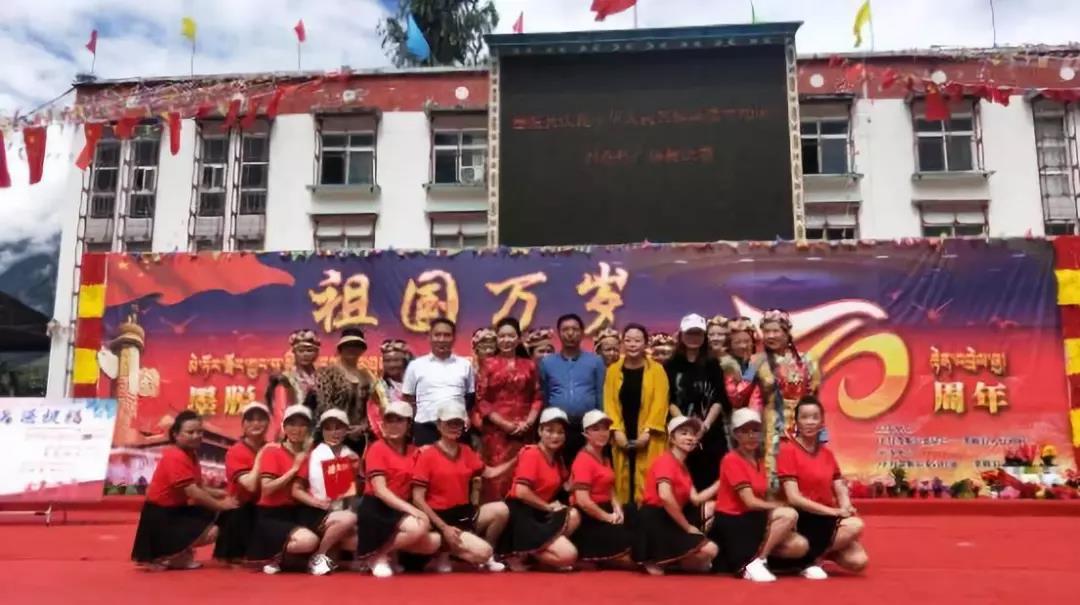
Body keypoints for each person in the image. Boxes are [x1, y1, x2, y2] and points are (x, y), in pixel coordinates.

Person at [412, 402, 513, 572]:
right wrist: (443, 527)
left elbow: (489, 473)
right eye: (449, 423)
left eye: (457, 423)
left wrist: (516, 460)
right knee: (483, 552)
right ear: (439, 425)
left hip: (464, 514)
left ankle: (475, 552)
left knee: (501, 510)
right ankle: (446, 551)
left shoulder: (466, 451)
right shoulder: (427, 455)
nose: (454, 427)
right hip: (439, 517)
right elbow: (417, 498)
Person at [711, 408, 808, 582]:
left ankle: (762, 558)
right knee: (788, 514)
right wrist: (780, 505)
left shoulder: (760, 461)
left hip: (754, 517)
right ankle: (758, 560)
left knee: (799, 546)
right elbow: (750, 502)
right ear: (735, 434)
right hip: (734, 520)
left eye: (755, 430)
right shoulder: (731, 459)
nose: (751, 436)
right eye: (744, 431)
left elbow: (762, 496)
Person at [132, 411, 238, 570]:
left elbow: (199, 486)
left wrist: (223, 494)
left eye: (199, 432)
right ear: (176, 434)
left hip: (174, 511)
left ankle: (176, 554)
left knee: (216, 513)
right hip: (162, 517)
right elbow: (193, 492)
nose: (196, 436)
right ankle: (170, 553)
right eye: (190, 432)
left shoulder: (190, 454)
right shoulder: (175, 456)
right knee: (214, 527)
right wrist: (221, 505)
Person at [777, 397, 868, 578]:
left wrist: (846, 505)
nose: (810, 422)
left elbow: (839, 486)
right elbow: (794, 498)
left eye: (815, 417)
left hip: (825, 520)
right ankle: (809, 559)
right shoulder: (787, 450)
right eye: (804, 417)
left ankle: (814, 556)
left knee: (858, 561)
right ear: (796, 421)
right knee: (855, 526)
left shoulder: (827, 454)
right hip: (801, 518)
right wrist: (833, 512)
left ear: (822, 422)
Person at [356, 400, 441, 578]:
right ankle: (375, 557)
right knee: (418, 525)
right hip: (377, 506)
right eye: (390, 420)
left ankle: (383, 553)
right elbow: (380, 491)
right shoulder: (377, 448)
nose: (394, 425)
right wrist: (412, 510)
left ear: (409, 424)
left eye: (399, 420)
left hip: (399, 506)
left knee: (434, 542)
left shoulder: (415, 451)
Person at [247, 405, 337, 575]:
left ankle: (305, 560)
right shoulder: (272, 451)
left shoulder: (313, 453)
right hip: (272, 514)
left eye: (302, 425)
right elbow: (267, 489)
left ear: (309, 429)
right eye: (292, 424)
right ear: (284, 427)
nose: (297, 429)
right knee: (309, 541)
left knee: (341, 525)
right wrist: (294, 469)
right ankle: (273, 556)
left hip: (299, 511)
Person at [633, 415, 719, 576]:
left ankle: (674, 560)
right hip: (656, 519)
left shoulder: (683, 467)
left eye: (692, 434)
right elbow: (665, 497)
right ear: (672, 438)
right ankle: (659, 557)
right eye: (684, 433)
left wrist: (720, 482)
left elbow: (696, 499)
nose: (690, 437)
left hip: (672, 517)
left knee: (713, 509)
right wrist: (687, 527)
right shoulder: (665, 461)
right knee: (710, 551)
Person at [499, 407, 580, 571]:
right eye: (550, 431)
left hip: (539, 512)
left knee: (574, 515)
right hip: (521, 513)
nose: (555, 436)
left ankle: (533, 554)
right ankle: (518, 552)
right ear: (540, 431)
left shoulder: (557, 458)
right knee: (569, 556)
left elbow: (564, 485)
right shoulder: (531, 453)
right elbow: (521, 492)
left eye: (560, 432)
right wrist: (548, 507)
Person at [476, 317, 542, 503]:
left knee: (524, 473)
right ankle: (496, 514)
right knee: (497, 478)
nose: (506, 340)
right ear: (497, 339)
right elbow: (481, 400)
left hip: (524, 430)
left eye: (511, 336)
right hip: (496, 433)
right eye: (502, 336)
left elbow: (537, 396)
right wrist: (504, 424)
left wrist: (529, 422)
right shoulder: (488, 364)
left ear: (519, 339)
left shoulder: (530, 365)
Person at [603, 323, 669, 505]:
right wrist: (616, 430)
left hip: (649, 433)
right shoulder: (613, 370)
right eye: (628, 340)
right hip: (622, 432)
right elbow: (609, 403)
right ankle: (624, 516)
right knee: (622, 479)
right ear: (622, 343)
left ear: (645, 343)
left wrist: (647, 432)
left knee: (648, 479)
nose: (632, 344)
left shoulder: (657, 370)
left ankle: (646, 516)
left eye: (637, 340)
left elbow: (660, 403)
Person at [289, 409, 362, 574]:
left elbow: (353, 493)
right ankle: (318, 556)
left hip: (340, 511)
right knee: (349, 518)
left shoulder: (351, 455)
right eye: (328, 428)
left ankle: (331, 557)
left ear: (346, 430)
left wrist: (356, 472)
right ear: (322, 431)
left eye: (338, 428)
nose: (334, 433)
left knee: (359, 538)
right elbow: (296, 490)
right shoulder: (312, 455)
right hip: (314, 512)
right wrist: (315, 502)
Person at [665, 313, 731, 490]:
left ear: (704, 336)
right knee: (681, 483)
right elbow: (668, 398)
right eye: (690, 333)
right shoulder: (670, 365)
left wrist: (705, 425)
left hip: (710, 433)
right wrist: (686, 425)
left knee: (712, 481)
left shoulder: (713, 364)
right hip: (680, 433)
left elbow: (719, 398)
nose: (694, 337)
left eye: (698, 333)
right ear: (681, 335)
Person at [758, 309, 822, 488]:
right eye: (766, 331)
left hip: (802, 420)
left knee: (804, 461)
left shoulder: (808, 360)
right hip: (772, 421)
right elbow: (748, 393)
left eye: (775, 331)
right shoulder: (757, 361)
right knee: (773, 464)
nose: (770, 336)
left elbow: (814, 397)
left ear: (787, 333)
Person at [538, 313, 606, 465]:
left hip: (587, 425)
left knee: (587, 467)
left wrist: (600, 425)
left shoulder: (595, 361)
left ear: (582, 333)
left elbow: (600, 393)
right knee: (559, 468)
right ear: (559, 333)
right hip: (557, 426)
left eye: (575, 329)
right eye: (565, 329)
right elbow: (545, 394)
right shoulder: (547, 363)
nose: (570, 333)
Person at [569, 410, 634, 567]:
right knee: (630, 545)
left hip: (606, 508)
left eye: (605, 429)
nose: (602, 433)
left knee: (636, 513)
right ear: (586, 434)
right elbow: (583, 501)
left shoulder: (605, 458)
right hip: (590, 518)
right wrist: (608, 517)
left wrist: (617, 508)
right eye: (596, 429)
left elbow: (609, 487)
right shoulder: (583, 460)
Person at [403, 318, 476, 446]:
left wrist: (463, 415)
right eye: (437, 335)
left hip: (456, 427)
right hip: (426, 428)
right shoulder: (415, 366)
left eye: (447, 335)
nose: (442, 339)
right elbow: (408, 398)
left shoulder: (465, 365)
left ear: (454, 338)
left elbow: (470, 396)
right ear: (429, 337)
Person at [214, 402, 270, 563]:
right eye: (250, 419)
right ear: (243, 424)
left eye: (261, 419)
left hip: (265, 506)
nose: (256, 424)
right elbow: (250, 485)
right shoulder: (236, 451)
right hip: (241, 509)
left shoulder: (273, 447)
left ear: (268, 423)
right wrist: (261, 456)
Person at [315, 327, 380, 452]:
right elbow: (323, 406)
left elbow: (373, 409)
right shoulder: (327, 373)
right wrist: (342, 429)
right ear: (340, 348)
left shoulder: (367, 377)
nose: (352, 348)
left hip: (360, 437)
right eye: (348, 345)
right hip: (333, 436)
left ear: (362, 349)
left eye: (356, 345)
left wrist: (363, 427)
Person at [719, 317, 768, 412]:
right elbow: (736, 399)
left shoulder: (762, 359)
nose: (743, 346)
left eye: (747, 341)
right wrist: (751, 370)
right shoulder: (726, 366)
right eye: (737, 342)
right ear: (729, 345)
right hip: (738, 416)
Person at [372, 339, 413, 440]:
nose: (391, 365)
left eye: (396, 360)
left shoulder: (416, 385)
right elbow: (375, 418)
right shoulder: (379, 387)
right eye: (387, 361)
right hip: (388, 438)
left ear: (404, 361)